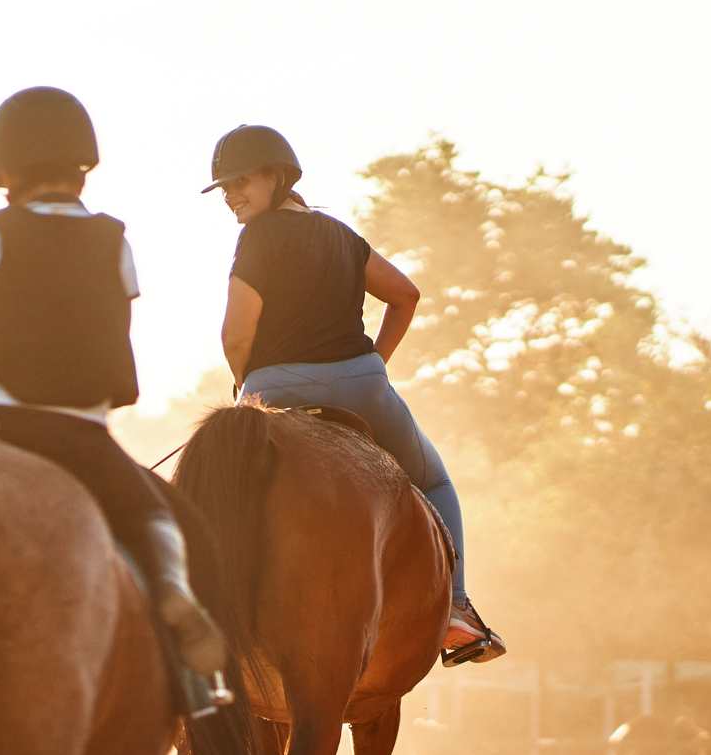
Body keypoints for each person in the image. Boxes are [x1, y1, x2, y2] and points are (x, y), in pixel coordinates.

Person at [0, 87, 227, 703]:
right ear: (83, 167)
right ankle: (186, 636)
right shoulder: (114, 241)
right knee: (157, 515)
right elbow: (111, 333)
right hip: (80, 432)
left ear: (2, 172)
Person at [207, 124, 503, 664]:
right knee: (434, 481)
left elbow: (236, 335)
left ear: (277, 177)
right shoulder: (340, 234)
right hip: (362, 386)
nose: (230, 194)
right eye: (224, 187)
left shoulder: (256, 238)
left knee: (220, 485)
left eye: (240, 181)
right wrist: (373, 367)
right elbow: (405, 295)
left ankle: (207, 609)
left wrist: (246, 387)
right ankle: (457, 612)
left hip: (274, 389)